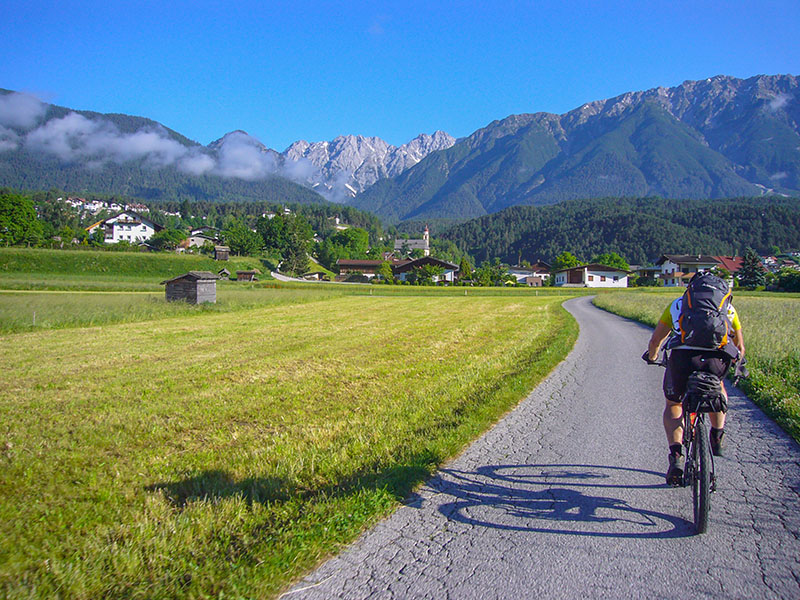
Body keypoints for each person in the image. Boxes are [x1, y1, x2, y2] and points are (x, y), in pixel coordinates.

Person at [646, 273, 745, 486]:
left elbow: (656, 340)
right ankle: (717, 435)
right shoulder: (727, 307)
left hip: (683, 359)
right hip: (716, 360)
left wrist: (652, 356)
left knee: (674, 404)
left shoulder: (678, 304)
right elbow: (739, 346)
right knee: (717, 387)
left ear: (691, 289)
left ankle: (676, 456)